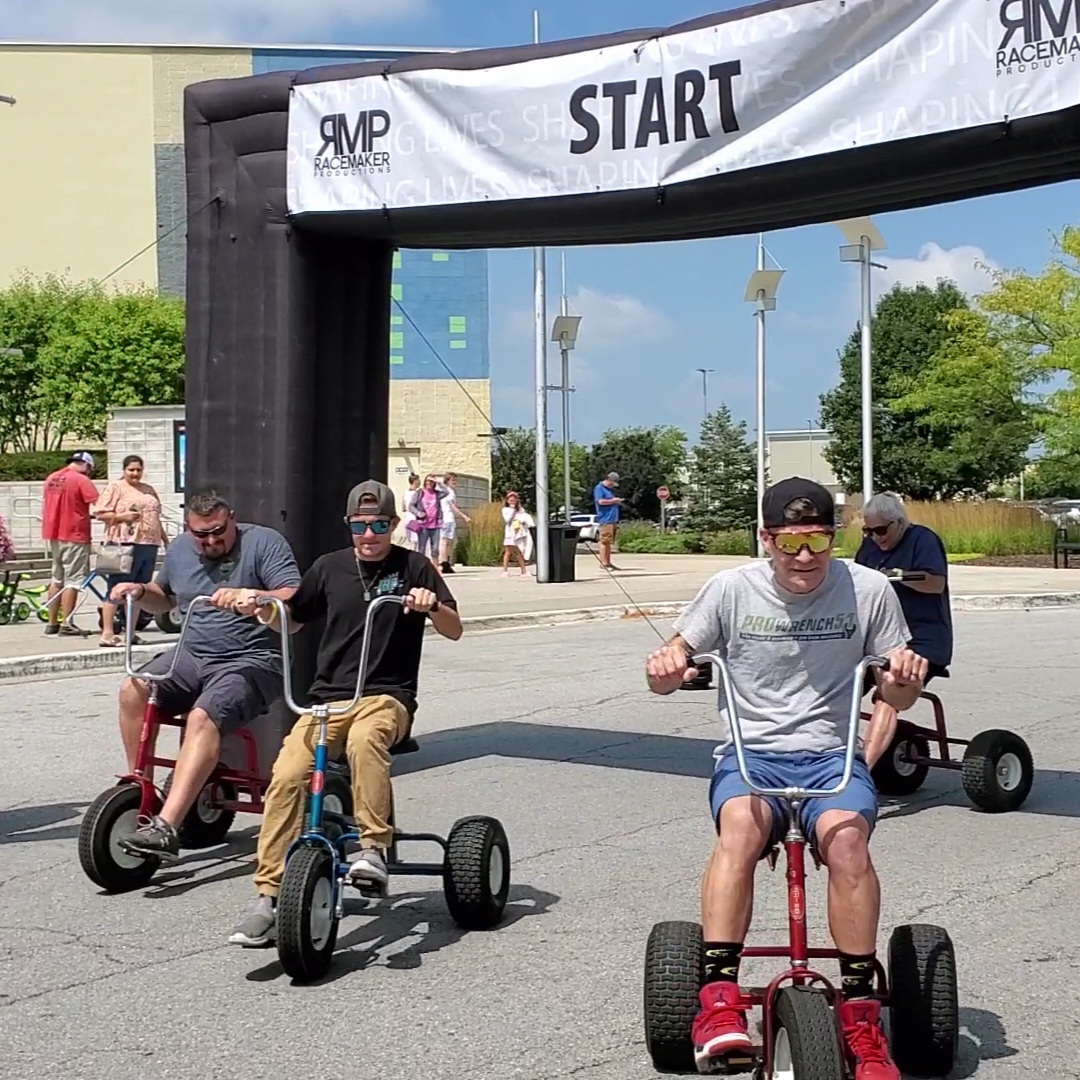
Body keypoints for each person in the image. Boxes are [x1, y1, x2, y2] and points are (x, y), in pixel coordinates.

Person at [645, 477, 927, 1080]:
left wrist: (905, 673)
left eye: (819, 540)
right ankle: (718, 1003)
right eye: (791, 541)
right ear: (766, 538)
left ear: (833, 537)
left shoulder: (868, 590)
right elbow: (667, 670)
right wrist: (667, 664)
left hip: (831, 756)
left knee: (848, 838)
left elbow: (898, 693)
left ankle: (859, 1013)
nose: (805, 557)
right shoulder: (729, 589)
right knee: (741, 830)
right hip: (752, 756)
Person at [227, 479, 462, 948]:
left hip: (387, 696)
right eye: (360, 525)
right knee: (289, 772)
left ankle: (373, 848)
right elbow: (293, 618)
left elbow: (455, 629)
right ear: (350, 526)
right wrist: (260, 607)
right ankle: (268, 897)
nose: (369, 534)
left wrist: (431, 605)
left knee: (364, 742)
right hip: (328, 699)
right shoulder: (328, 567)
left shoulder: (413, 566)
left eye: (378, 525)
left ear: (394, 525)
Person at [108, 490, 301, 863]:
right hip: (191, 656)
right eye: (202, 535)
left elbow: (292, 594)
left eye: (218, 531)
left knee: (202, 716)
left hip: (253, 659)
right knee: (133, 688)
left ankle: (166, 827)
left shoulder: (263, 542)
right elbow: (163, 596)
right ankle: (141, 790)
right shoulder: (180, 549)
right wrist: (138, 590)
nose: (211, 541)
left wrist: (256, 597)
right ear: (188, 529)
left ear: (231, 518)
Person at [854, 492, 952, 686]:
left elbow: (935, 584)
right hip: (877, 641)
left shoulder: (923, 540)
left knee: (889, 691)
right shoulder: (869, 546)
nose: (875, 537)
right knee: (838, 683)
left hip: (920, 642)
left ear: (899, 522)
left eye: (881, 530)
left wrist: (898, 575)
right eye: (868, 531)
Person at [94, 453, 167, 648]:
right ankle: (108, 633)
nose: (135, 473)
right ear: (124, 470)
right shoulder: (115, 487)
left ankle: (131, 633)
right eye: (131, 470)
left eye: (138, 470)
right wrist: (121, 516)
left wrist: (165, 540)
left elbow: (156, 517)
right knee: (117, 588)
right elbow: (99, 513)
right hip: (124, 544)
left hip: (149, 544)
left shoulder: (148, 490)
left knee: (138, 590)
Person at [40, 450, 100, 636]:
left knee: (56, 579)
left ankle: (52, 623)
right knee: (73, 581)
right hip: (74, 534)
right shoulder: (81, 480)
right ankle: (67, 623)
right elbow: (100, 504)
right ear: (87, 465)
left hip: (53, 533)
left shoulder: (51, 478)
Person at [593, 471, 623, 570]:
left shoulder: (609, 490)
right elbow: (600, 501)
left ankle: (608, 562)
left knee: (609, 542)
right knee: (604, 541)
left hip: (612, 519)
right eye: (612, 483)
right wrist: (613, 501)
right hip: (605, 519)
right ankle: (604, 563)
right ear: (609, 480)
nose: (612, 486)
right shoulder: (599, 488)